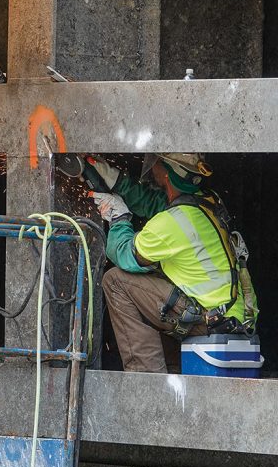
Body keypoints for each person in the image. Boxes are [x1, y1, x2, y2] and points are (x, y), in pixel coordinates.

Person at [85, 153, 258, 373]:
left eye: (157, 162)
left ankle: (146, 379)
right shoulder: (208, 201)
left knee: (115, 281)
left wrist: (119, 217)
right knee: (154, 286)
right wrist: (115, 180)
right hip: (235, 315)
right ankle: (173, 370)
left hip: (210, 318)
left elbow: (123, 254)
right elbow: (155, 203)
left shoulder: (171, 223)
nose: (152, 165)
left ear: (166, 173)